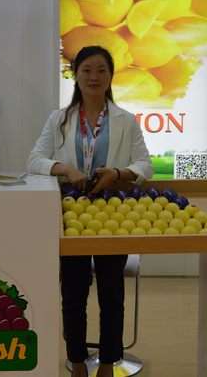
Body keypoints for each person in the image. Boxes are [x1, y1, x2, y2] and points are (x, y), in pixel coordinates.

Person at [28, 46, 153, 377]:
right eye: (86, 70)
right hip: (71, 215)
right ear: (75, 75)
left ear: (111, 75)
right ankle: (78, 361)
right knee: (73, 293)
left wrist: (118, 173)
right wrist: (66, 169)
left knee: (112, 293)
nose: (94, 77)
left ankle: (109, 362)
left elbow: (145, 164)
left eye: (101, 70)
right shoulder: (59, 119)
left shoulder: (126, 120)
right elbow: (35, 159)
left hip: (113, 215)